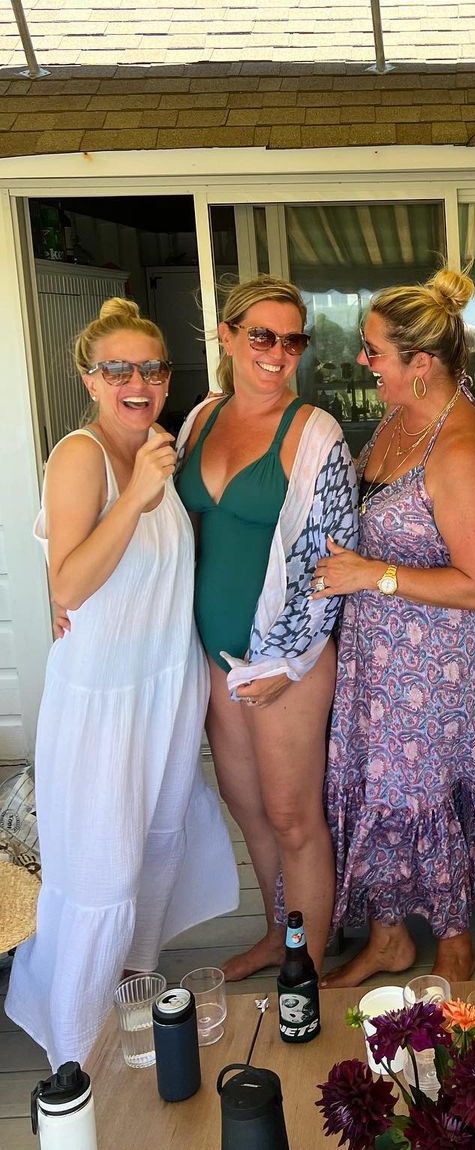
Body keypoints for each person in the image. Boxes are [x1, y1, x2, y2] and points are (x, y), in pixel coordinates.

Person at [5, 300, 237, 1067]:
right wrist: (135, 495)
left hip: (163, 692)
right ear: (90, 379)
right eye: (118, 370)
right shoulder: (83, 457)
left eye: (152, 369)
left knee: (154, 851)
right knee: (100, 875)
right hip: (103, 705)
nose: (138, 382)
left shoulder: (161, 447)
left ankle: (130, 997)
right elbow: (69, 583)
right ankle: (73, 1058)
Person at [312, 269, 475, 986]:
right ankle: (388, 939)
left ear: (421, 363)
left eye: (375, 350)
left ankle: (454, 943)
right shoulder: (397, 417)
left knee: (424, 793)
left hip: (435, 663)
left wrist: (371, 575)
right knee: (384, 791)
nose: (363, 360)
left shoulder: (460, 447)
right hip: (380, 652)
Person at [176, 276, 357, 981]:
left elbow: (333, 559)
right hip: (214, 654)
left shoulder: (315, 433)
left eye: (292, 340)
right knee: (247, 808)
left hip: (286, 661)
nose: (278, 353)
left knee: (291, 816)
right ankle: (279, 935)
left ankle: (307, 964)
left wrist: (289, 660)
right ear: (226, 336)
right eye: (261, 336)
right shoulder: (200, 419)